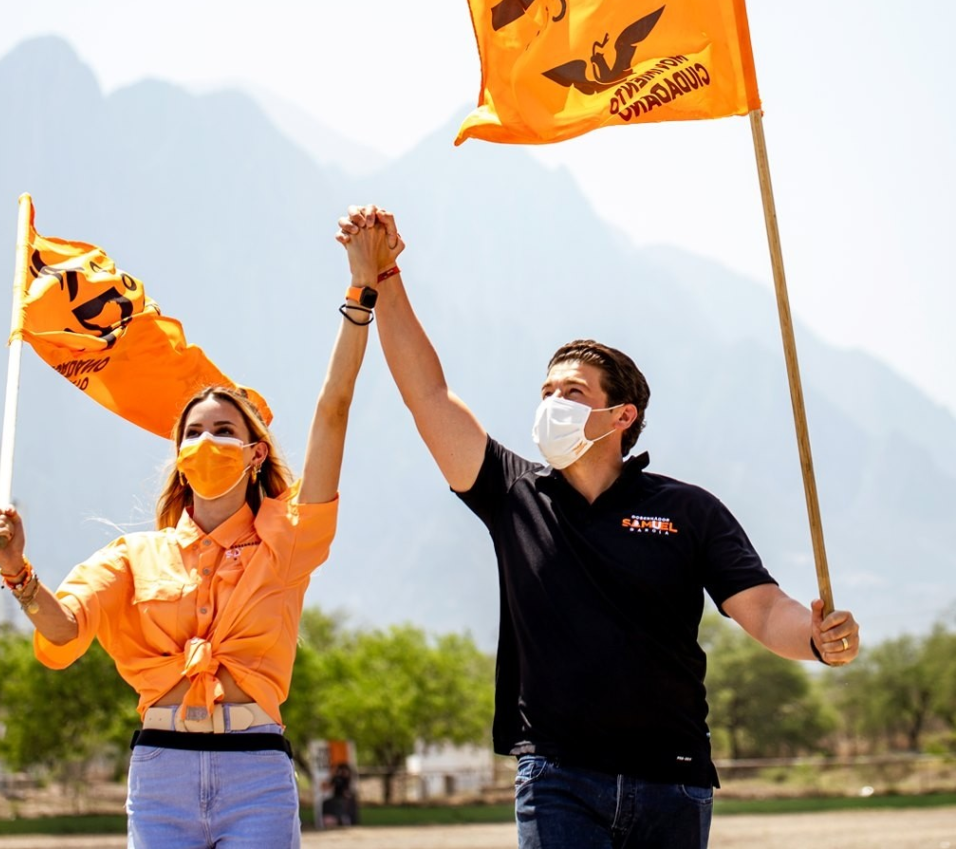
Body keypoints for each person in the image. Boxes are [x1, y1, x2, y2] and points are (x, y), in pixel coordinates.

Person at [336, 204, 860, 849]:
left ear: (619, 417)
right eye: (547, 390)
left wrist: (816, 638)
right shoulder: (510, 493)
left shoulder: (687, 509)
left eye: (573, 392)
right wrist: (384, 273)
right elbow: (428, 395)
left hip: (674, 780)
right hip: (557, 778)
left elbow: (764, 610)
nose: (551, 404)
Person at [0, 224, 386, 849]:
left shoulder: (293, 537)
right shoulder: (133, 558)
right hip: (160, 777)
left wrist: (361, 292)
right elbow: (62, 631)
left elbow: (334, 405)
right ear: (178, 456)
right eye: (192, 433)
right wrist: (17, 570)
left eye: (223, 430)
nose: (205, 442)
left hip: (257, 774)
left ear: (254, 454)